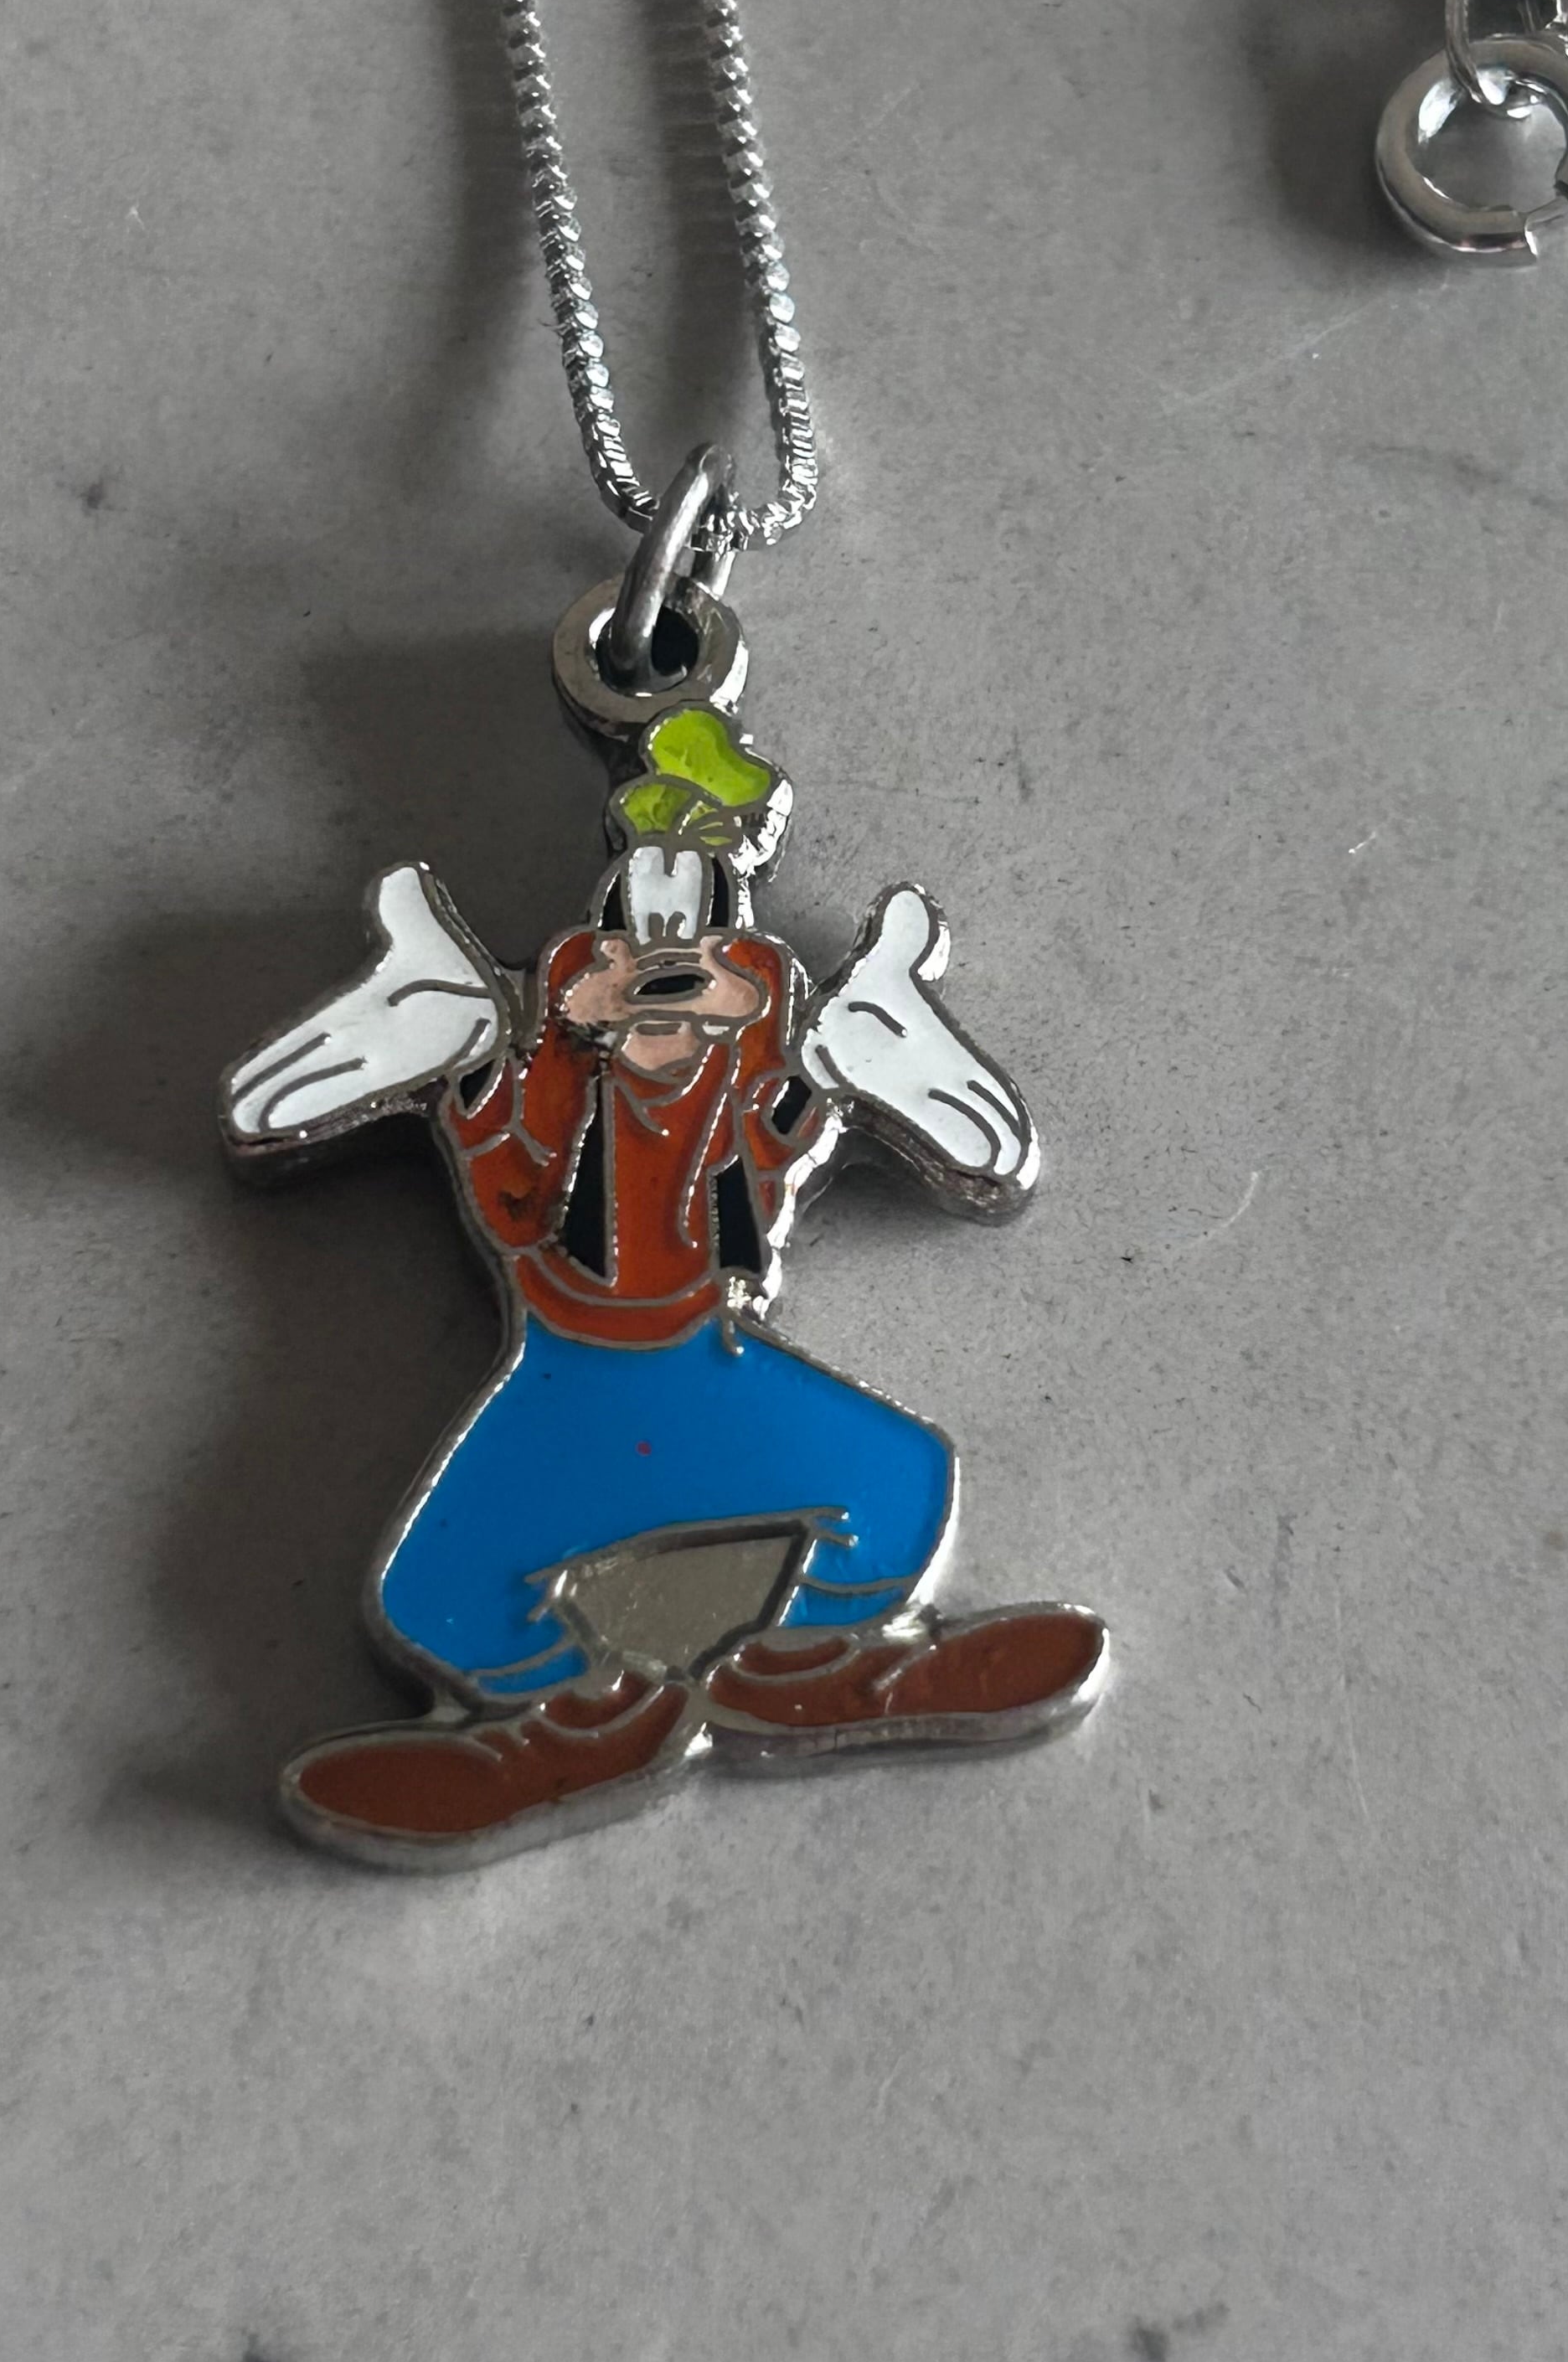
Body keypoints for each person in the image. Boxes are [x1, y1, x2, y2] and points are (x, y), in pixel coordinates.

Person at [224, 705, 1105, 1867]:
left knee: (901, 1474)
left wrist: (883, 1055)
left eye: (703, 958)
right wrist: (427, 1032)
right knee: (429, 1594)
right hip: (563, 1389)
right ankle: (571, 1727)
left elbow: (963, 1141)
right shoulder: (524, 1083)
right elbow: (287, 1106)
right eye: (625, 953)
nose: (662, 978)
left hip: (713, 1372)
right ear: (577, 979)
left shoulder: (759, 1092)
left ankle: (816, 1667)